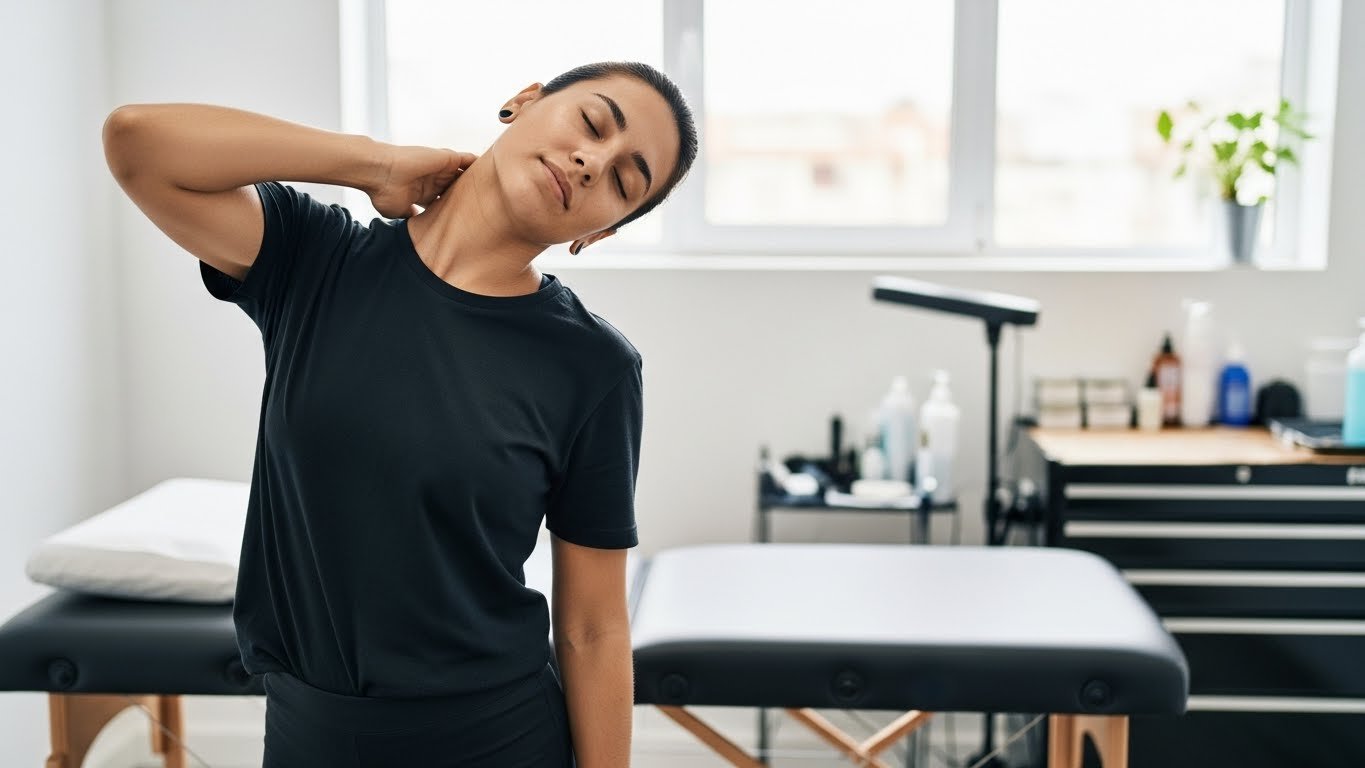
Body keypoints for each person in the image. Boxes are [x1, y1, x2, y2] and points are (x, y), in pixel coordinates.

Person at [102, 61, 698, 767]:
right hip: (307, 733)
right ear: (523, 101)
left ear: (599, 233)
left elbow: (592, 628)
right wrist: (373, 164)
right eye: (592, 123)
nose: (592, 163)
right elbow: (138, 142)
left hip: (497, 738)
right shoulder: (316, 261)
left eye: (624, 182)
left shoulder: (594, 367)